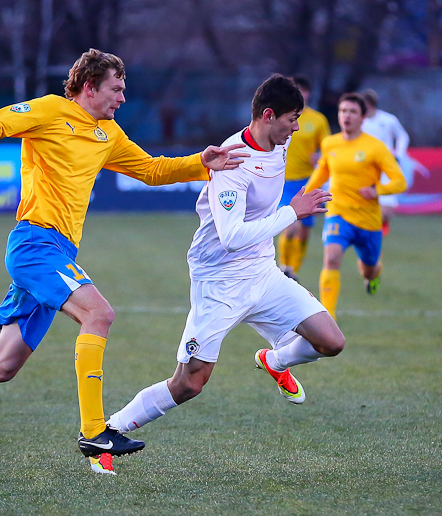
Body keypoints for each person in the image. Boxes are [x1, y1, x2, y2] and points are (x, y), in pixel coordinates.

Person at [0, 49, 247, 469]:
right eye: (116, 89)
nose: (122, 98)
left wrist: (201, 164)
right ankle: (94, 432)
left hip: (58, 251)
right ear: (89, 87)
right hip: (35, 246)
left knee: (0, 365)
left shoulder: (109, 134)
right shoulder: (50, 111)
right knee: (99, 314)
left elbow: (151, 170)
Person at [106, 74, 344, 441]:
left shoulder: (279, 144)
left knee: (331, 341)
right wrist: (292, 213)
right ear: (268, 115)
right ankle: (109, 429)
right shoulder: (234, 162)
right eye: (291, 119)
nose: (297, 128)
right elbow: (231, 238)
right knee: (189, 383)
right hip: (219, 280)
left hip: (262, 272)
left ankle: (274, 361)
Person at [305, 93, 406, 319]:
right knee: (331, 258)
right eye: (343, 111)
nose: (346, 116)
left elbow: (399, 181)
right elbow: (321, 172)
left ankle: (374, 274)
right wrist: (304, 194)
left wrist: (376, 190)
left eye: (352, 112)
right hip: (338, 213)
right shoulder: (330, 143)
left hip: (369, 220)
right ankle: (327, 317)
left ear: (363, 118)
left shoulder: (376, 147)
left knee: (368, 269)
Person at [276, 76, 330, 281]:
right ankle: (284, 266)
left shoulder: (317, 120)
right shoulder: (279, 116)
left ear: (308, 94)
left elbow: (329, 149)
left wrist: (320, 157)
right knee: (291, 227)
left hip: (308, 182)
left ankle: (293, 270)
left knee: (304, 232)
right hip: (283, 181)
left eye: (303, 90)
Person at [360, 89, 411, 235]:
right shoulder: (360, 122)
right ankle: (370, 231)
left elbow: (403, 136)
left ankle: (381, 223)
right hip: (366, 168)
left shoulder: (388, 120)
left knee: (387, 210)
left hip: (386, 167)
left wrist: (399, 155)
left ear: (369, 104)